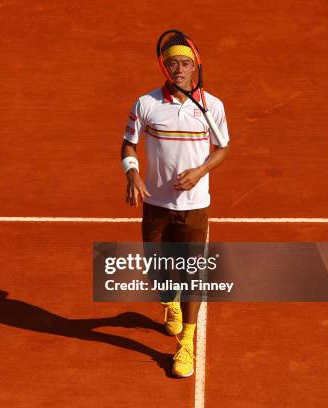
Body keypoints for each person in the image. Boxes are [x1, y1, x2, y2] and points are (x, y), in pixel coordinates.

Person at [120, 40, 229, 377]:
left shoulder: (212, 107)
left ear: (196, 66)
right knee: (157, 268)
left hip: (195, 206)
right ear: (164, 68)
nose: (179, 69)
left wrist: (199, 172)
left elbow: (222, 148)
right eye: (173, 64)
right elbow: (128, 144)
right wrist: (132, 173)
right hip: (156, 203)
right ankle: (169, 302)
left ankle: (186, 344)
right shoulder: (146, 104)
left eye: (185, 63)